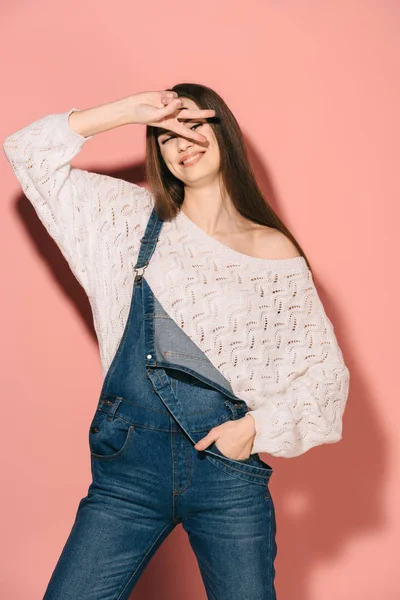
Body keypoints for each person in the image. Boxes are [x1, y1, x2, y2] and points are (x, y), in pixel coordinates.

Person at [3, 83, 350, 600]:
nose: (181, 141)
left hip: (225, 472)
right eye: (164, 136)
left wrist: (254, 429)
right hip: (128, 470)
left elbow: (324, 375)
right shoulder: (124, 219)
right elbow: (25, 151)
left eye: (193, 124)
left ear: (223, 132)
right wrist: (129, 111)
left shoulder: (271, 249)